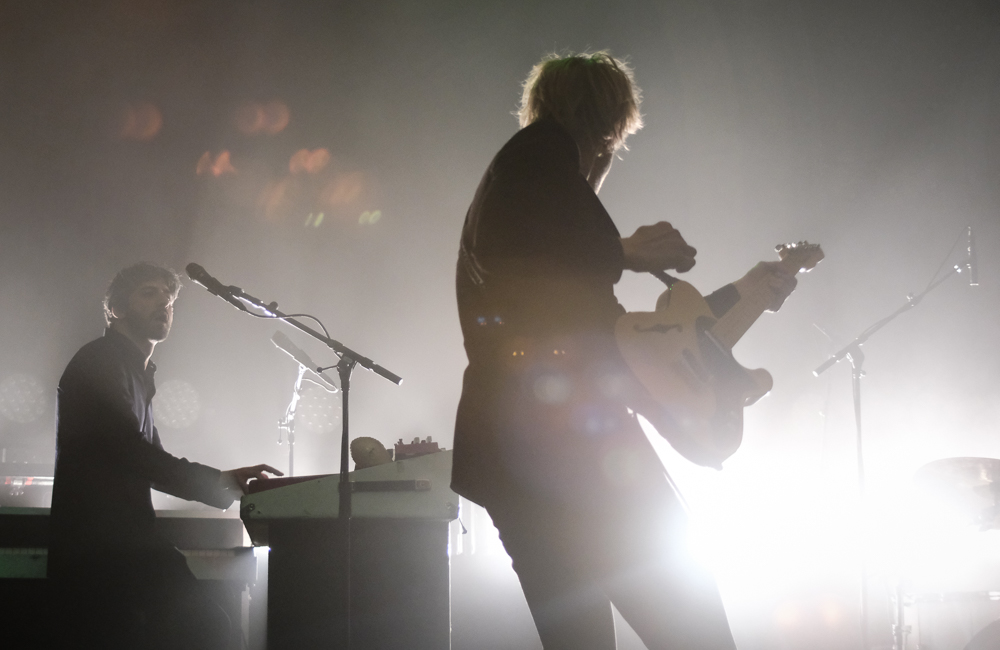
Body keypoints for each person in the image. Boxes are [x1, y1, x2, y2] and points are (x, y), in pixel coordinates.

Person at [452, 52, 797, 650]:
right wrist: (625, 251)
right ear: (608, 128)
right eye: (611, 141)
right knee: (693, 628)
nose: (607, 164)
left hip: (528, 459)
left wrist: (746, 292)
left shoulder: (546, 219)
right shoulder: (537, 156)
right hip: (564, 455)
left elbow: (655, 349)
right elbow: (523, 256)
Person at [48, 262, 283, 649]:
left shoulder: (135, 372)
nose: (164, 303)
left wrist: (227, 479)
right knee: (207, 629)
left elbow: (151, 458)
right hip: (101, 551)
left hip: (121, 545)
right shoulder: (100, 361)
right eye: (148, 293)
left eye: (169, 297)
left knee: (203, 628)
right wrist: (221, 482)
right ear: (116, 309)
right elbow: (132, 454)